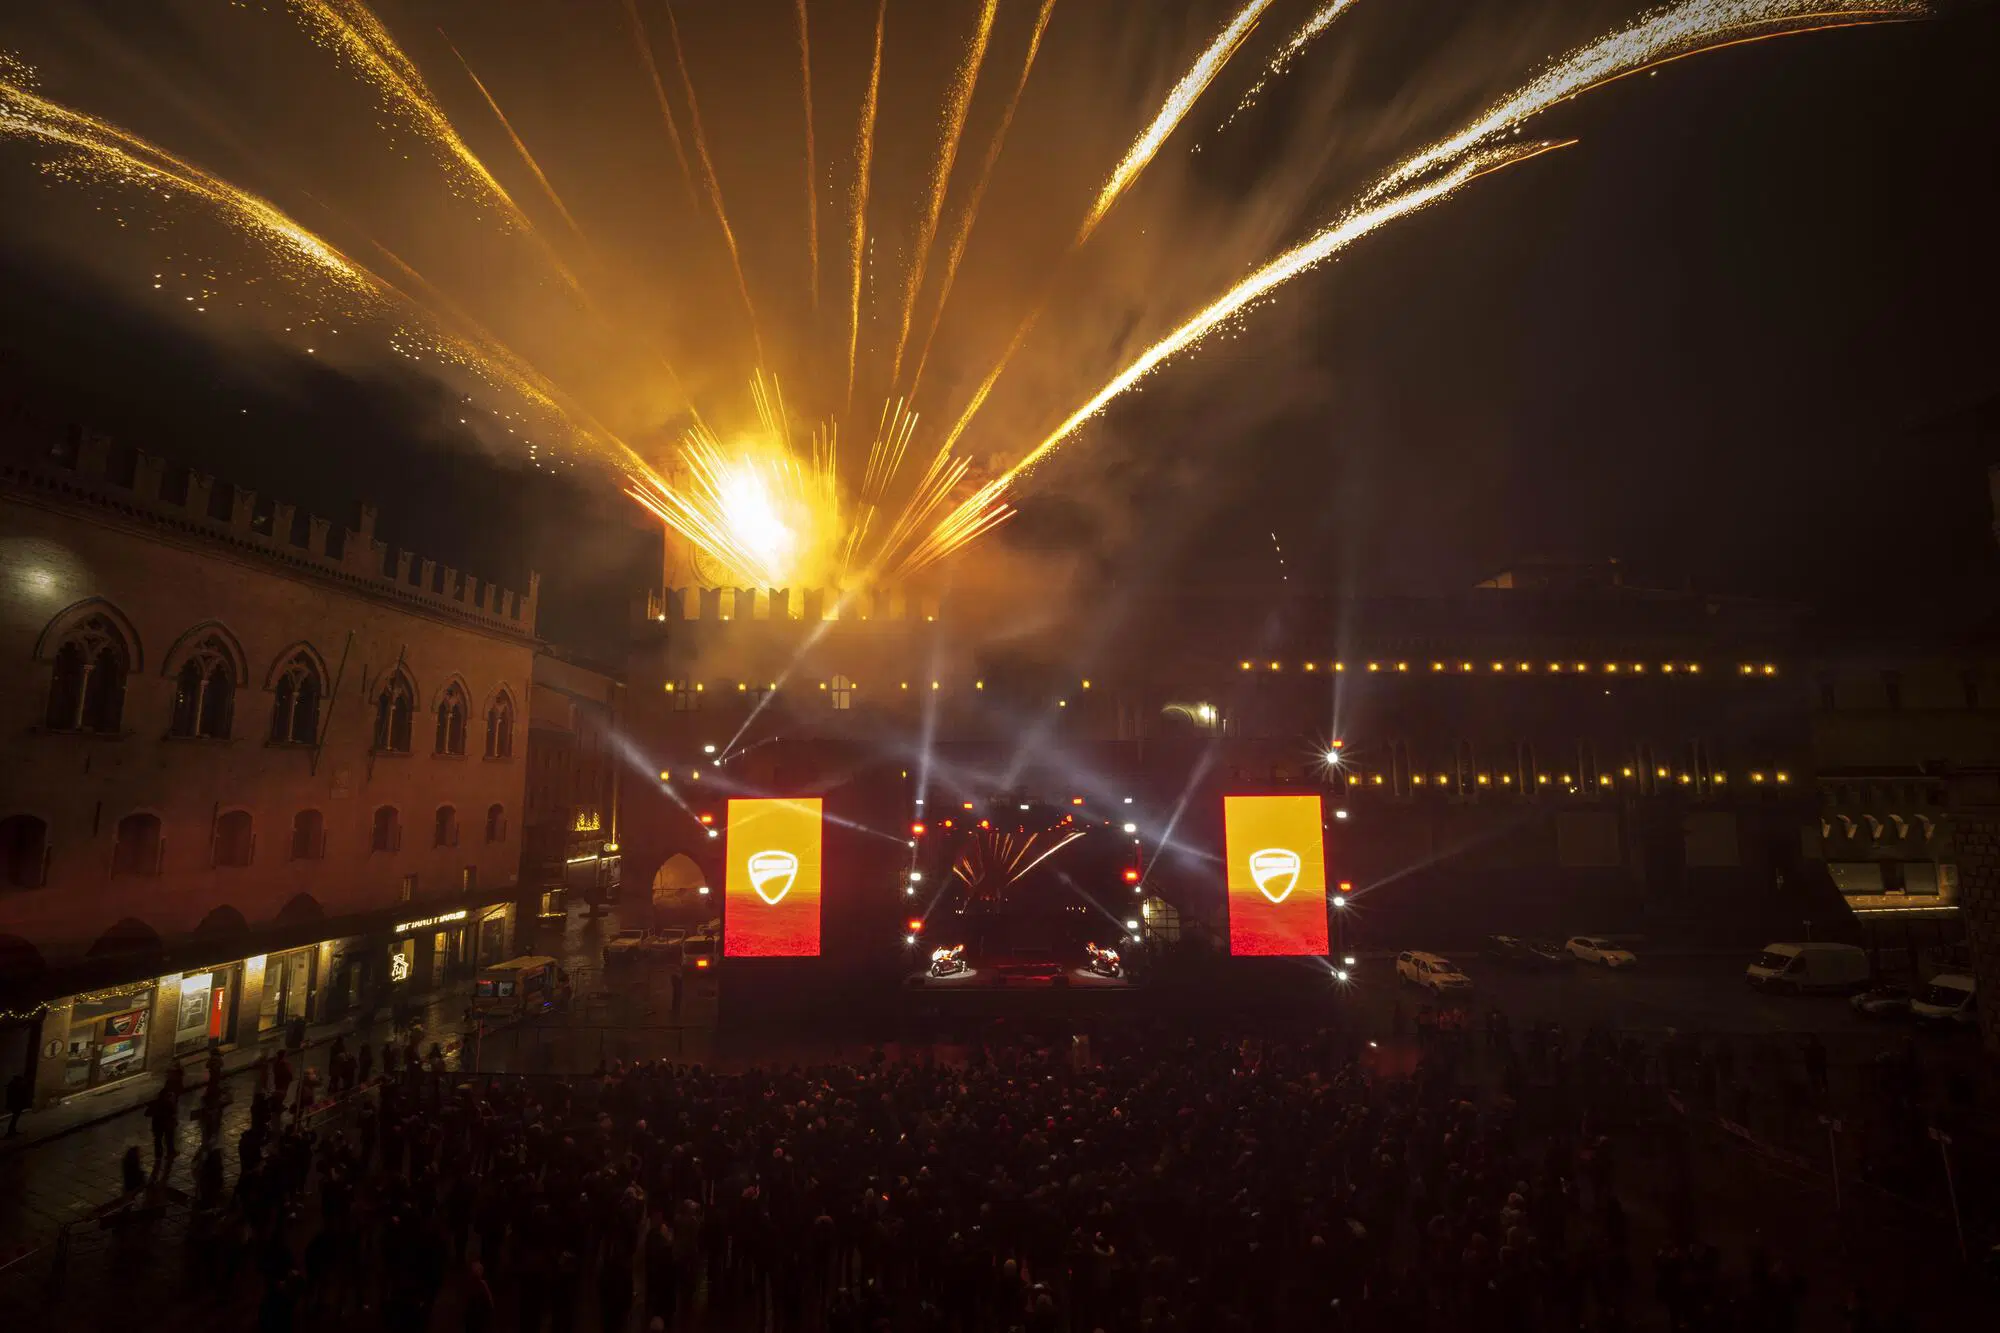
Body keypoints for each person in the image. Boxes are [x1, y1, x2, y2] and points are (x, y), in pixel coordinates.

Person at [4, 1069, 28, 1137]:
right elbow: (20, 1095)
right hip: (16, 1104)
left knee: (15, 1117)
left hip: (15, 1103)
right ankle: (10, 1132)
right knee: (15, 1117)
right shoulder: (17, 1084)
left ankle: (12, 1130)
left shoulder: (12, 1083)